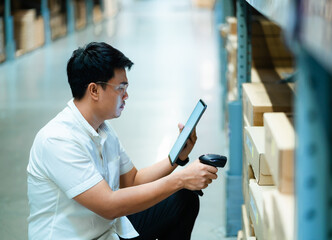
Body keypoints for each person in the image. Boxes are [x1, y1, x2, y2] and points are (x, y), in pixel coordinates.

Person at [27, 42, 218, 240]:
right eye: (120, 88)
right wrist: (180, 179)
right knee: (179, 189)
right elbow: (108, 205)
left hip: (107, 231)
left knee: (182, 199)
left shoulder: (102, 129)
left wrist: (176, 159)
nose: (126, 96)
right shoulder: (58, 140)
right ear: (94, 90)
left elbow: (132, 181)